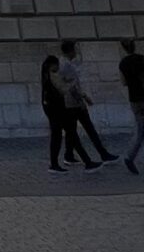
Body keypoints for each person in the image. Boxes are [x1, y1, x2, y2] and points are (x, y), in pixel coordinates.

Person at [59, 39, 117, 164]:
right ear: (71, 51)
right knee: (89, 129)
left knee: (72, 131)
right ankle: (103, 154)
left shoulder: (62, 64)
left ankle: (68, 155)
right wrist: (84, 97)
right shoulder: (66, 66)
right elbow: (72, 87)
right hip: (75, 103)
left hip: (69, 104)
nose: (76, 51)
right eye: (75, 49)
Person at [42, 53, 99, 174]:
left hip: (54, 110)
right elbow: (62, 90)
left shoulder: (46, 76)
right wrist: (72, 84)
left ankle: (56, 164)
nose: (58, 67)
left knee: (60, 137)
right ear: (53, 65)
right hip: (58, 110)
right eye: (57, 65)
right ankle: (86, 162)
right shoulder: (53, 76)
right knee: (69, 135)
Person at [118, 37, 144, 174]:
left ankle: (130, 157)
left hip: (134, 99)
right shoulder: (141, 59)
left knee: (140, 130)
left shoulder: (123, 63)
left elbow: (124, 82)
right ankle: (129, 157)